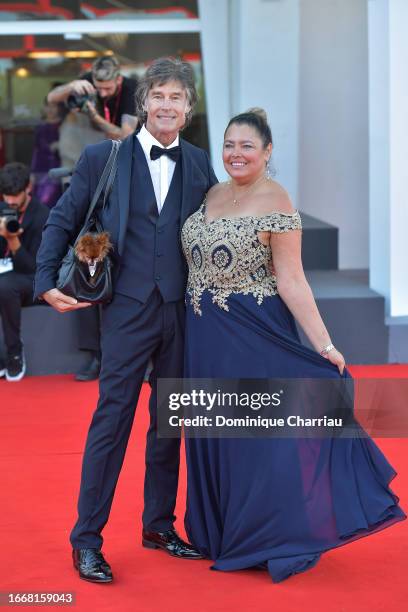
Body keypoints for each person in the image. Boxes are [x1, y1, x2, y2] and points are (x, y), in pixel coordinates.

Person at [180, 108, 406, 583]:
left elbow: (293, 279)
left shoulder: (277, 201)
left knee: (258, 439)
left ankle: (269, 536)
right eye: (229, 145)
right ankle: (219, 532)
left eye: (246, 146)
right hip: (204, 338)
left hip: (253, 335)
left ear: (266, 153)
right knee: (215, 432)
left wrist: (325, 343)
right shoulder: (211, 192)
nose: (235, 154)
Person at [34, 57, 218, 583]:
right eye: (158, 95)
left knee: (169, 425)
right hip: (125, 313)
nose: (166, 105)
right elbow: (63, 218)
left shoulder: (201, 163)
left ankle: (159, 524)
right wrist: (45, 279)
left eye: (176, 97)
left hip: (181, 313)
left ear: (188, 108)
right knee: (111, 424)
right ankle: (86, 539)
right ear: (144, 103)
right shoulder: (103, 157)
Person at [0, 163, 49, 381]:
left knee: (5, 285)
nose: (10, 202)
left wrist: (13, 241)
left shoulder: (42, 215)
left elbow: (36, 268)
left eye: (15, 196)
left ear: (27, 188)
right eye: (6, 196)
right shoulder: (3, 209)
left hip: (33, 281)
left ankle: (14, 353)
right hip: (6, 276)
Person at [47, 55, 138, 141]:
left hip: (133, 146)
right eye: (98, 88)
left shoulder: (132, 89)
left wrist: (94, 116)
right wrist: (71, 86)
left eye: (107, 88)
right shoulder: (89, 79)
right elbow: (51, 98)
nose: (103, 94)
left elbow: (126, 137)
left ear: (119, 80)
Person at [30, 99, 64, 208]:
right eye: (48, 106)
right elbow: (36, 151)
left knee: (56, 201)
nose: (50, 109)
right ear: (44, 108)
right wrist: (32, 172)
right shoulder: (40, 127)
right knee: (40, 202)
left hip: (58, 169)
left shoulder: (64, 125)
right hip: (40, 169)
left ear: (59, 108)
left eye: (53, 106)